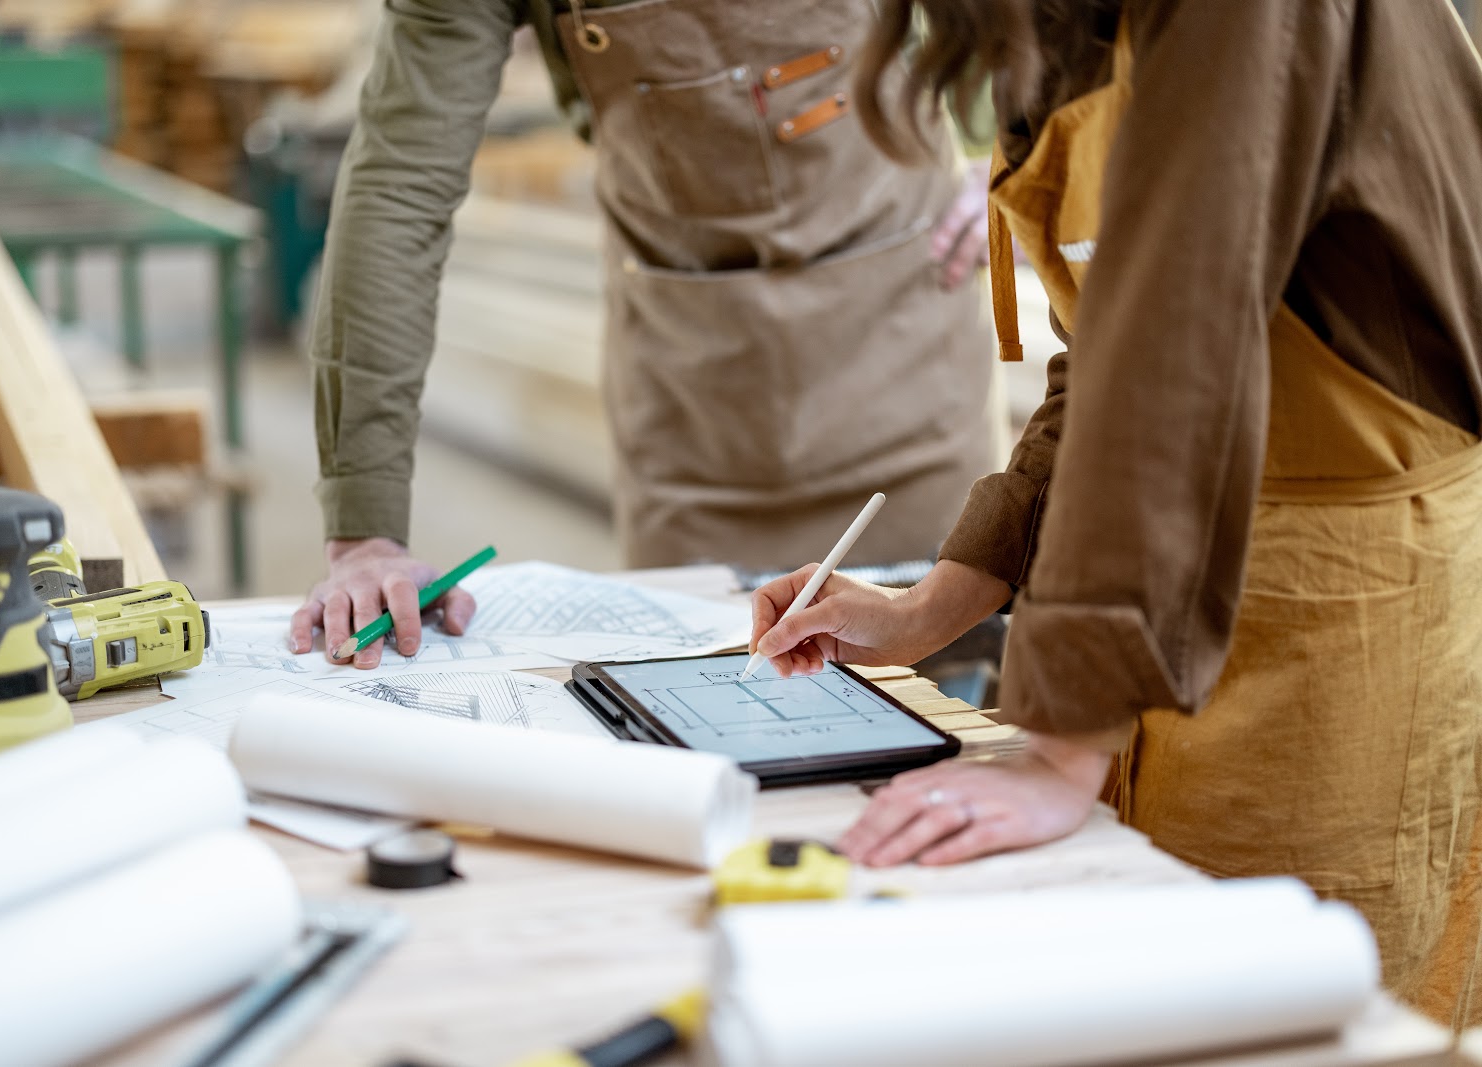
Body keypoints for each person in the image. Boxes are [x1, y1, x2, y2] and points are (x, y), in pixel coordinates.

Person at [749, 0, 1482, 1026]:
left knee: (1272, 1010)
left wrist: (1058, 744)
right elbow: (1105, 350)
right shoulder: (1051, 23)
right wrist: (932, 609)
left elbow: (1172, 353)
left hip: (1337, 619)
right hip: (1149, 593)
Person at [289, 0, 1005, 668]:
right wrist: (366, 530)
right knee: (708, 712)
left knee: (939, 721)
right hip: (691, 401)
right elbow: (399, 183)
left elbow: (1076, 37)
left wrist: (1020, 161)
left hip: (909, 364)